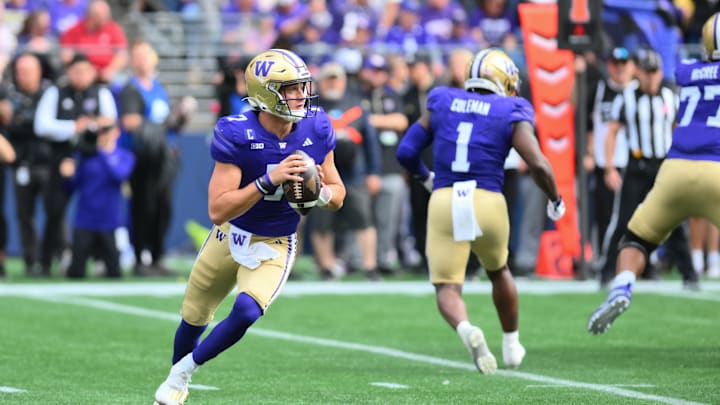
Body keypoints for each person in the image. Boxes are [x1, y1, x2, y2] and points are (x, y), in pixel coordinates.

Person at [152, 49, 346, 405]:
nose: (300, 95)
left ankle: (182, 373)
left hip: (275, 241)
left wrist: (319, 193)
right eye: (290, 89)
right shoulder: (237, 131)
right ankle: (174, 381)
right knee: (193, 319)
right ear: (266, 92)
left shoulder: (317, 126)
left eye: (302, 87)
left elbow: (338, 194)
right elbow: (217, 209)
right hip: (230, 234)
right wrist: (269, 180)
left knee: (246, 311)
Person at [396, 49, 565, 374]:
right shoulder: (511, 107)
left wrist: (426, 177)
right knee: (499, 271)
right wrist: (555, 199)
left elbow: (406, 151)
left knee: (447, 288)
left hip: (445, 198)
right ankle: (512, 344)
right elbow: (539, 164)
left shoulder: (443, 99)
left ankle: (466, 328)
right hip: (487, 200)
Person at [587, 14, 720, 335]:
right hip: (715, 168)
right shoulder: (663, 86)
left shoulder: (687, 72)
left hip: (673, 168)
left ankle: (622, 285)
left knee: (636, 238)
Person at [599, 48, 697, 289]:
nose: (651, 77)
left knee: (674, 220)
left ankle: (690, 275)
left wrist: (681, 159)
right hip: (636, 165)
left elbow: (677, 129)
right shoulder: (627, 97)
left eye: (655, 72)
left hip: (663, 166)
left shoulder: (669, 96)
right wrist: (610, 167)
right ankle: (606, 272)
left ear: (660, 72)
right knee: (623, 220)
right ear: (639, 73)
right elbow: (612, 132)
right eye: (647, 72)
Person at [34, 52, 117, 277]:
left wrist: (95, 127)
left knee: (98, 211)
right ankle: (45, 261)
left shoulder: (102, 93)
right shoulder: (55, 93)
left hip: (93, 163)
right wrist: (74, 127)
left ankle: (100, 259)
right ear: (68, 72)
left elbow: (110, 122)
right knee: (54, 210)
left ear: (92, 72)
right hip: (62, 160)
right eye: (75, 71)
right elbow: (41, 125)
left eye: (85, 71)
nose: (80, 76)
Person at [60, 122, 134, 279]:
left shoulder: (125, 156)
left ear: (116, 132)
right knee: (76, 272)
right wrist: (67, 176)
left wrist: (100, 151)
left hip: (108, 221)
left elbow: (119, 176)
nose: (103, 133)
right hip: (85, 220)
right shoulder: (85, 157)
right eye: (100, 130)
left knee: (114, 273)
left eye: (107, 129)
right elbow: (73, 185)